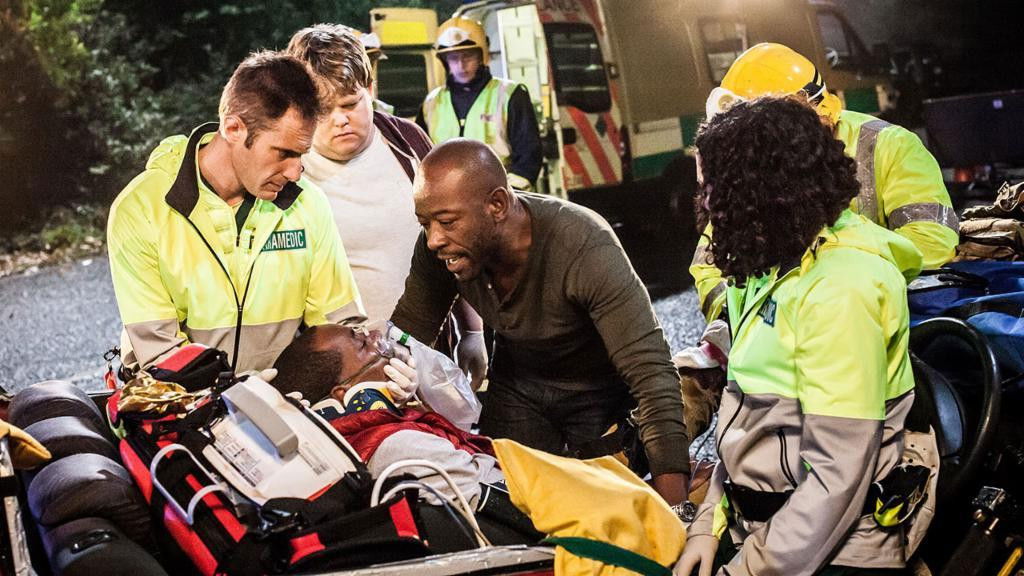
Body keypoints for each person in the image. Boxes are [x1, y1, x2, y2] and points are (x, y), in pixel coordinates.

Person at [674, 96, 922, 576]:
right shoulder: (766, 270)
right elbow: (744, 426)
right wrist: (707, 525)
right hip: (765, 530)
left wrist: (745, 569)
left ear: (760, 191)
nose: (706, 204)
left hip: (837, 549)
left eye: (715, 188)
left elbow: (837, 477)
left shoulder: (840, 289)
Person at [390, 138, 689, 506]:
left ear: (497, 205)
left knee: (607, 504)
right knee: (503, 498)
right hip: (519, 385)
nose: (434, 239)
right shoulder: (442, 250)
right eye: (425, 223)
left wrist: (677, 510)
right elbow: (404, 336)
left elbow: (652, 376)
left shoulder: (583, 246)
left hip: (595, 392)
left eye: (447, 222)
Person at [107, 51, 364, 375]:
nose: (295, 172)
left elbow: (340, 330)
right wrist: (250, 397)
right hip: (179, 399)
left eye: (301, 155)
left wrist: (372, 374)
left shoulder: (309, 204)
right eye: (283, 153)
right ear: (233, 128)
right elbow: (162, 357)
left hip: (284, 396)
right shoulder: (141, 209)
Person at [691, 42, 958, 323]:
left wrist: (827, 280)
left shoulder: (892, 145)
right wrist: (734, 318)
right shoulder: (754, 164)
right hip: (784, 326)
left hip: (882, 316)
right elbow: (710, 267)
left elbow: (932, 242)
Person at [285, 24, 488, 389]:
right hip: (347, 377)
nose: (340, 119)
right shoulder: (289, 172)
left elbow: (456, 241)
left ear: (371, 89)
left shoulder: (407, 142)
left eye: (350, 104)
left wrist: (472, 329)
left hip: (432, 355)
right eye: (324, 110)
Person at [271, 324, 502, 507]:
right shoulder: (403, 448)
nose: (376, 335)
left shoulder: (367, 437)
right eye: (363, 344)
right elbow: (495, 504)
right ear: (344, 392)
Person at [416, 17, 542, 191]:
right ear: (444, 61)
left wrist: (509, 195)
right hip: (449, 198)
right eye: (453, 58)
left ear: (482, 55)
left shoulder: (510, 94)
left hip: (499, 196)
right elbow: (420, 156)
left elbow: (529, 156)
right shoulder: (432, 102)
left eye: (468, 56)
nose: (461, 65)